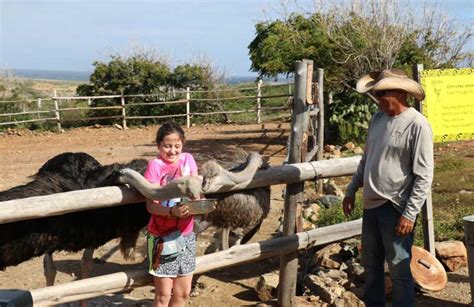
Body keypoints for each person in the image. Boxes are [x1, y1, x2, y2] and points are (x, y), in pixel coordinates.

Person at [342, 68, 434, 306]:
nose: (378, 98)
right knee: (371, 267)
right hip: (371, 206)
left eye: (383, 93)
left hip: (395, 207)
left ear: (401, 93)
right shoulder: (377, 119)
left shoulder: (417, 124)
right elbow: (367, 159)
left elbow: (423, 175)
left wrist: (409, 214)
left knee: (399, 270)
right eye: (377, 93)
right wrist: (352, 189)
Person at [144, 122, 199, 307]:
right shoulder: (155, 165)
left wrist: (201, 205)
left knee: (183, 293)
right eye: (167, 146)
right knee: (163, 294)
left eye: (177, 145)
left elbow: (195, 192)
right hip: (160, 237)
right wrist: (171, 212)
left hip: (186, 234)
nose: (172, 151)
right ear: (158, 145)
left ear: (182, 144)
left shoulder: (188, 160)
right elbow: (151, 206)